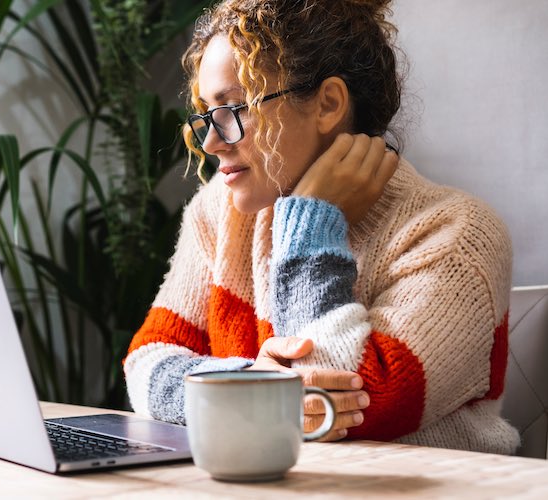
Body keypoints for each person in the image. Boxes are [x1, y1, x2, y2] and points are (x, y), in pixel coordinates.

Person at [123, 0, 520, 454]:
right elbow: (145, 362)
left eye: (235, 109)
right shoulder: (220, 212)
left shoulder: (456, 233)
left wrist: (311, 223)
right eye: (207, 114)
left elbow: (332, 408)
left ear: (328, 104)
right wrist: (252, 380)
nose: (212, 141)